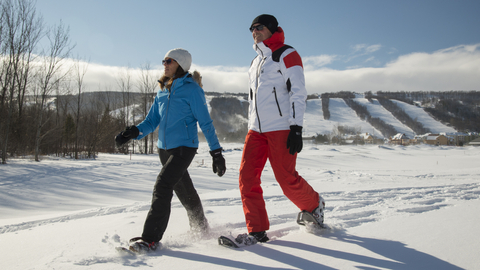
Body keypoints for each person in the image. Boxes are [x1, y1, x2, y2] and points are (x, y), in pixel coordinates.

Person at [115, 48, 226, 252]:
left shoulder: (192, 89)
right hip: (163, 149)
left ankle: (150, 239)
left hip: (184, 147)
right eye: (164, 61)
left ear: (181, 65)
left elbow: (206, 123)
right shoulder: (162, 88)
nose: (165, 64)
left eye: (169, 61)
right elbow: (152, 121)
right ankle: (201, 228)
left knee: (162, 186)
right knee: (184, 191)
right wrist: (133, 133)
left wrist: (216, 152)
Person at [237, 14, 325, 244]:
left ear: (272, 29)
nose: (254, 31)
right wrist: (250, 124)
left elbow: (298, 92)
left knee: (286, 178)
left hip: (281, 128)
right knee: (247, 178)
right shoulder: (255, 62)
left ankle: (314, 205)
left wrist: (296, 127)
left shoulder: (287, 54)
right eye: (251, 28)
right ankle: (256, 230)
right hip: (256, 130)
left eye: (259, 27)